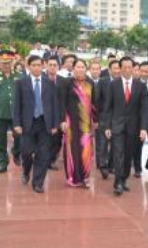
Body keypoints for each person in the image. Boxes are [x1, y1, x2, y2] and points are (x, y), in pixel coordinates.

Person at [13, 55, 59, 193]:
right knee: (27, 152)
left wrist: (55, 124)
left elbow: (54, 105)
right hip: (28, 123)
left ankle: (38, 182)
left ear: (43, 66)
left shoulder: (49, 83)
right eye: (34, 65)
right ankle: (26, 171)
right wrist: (17, 124)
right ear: (28, 66)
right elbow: (17, 105)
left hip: (45, 123)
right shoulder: (21, 82)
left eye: (39, 65)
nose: (37, 67)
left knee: (43, 154)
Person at [102, 56, 148, 196]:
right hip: (116, 126)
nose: (127, 70)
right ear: (120, 69)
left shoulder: (140, 86)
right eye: (124, 67)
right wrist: (107, 126)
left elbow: (144, 109)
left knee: (128, 156)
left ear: (134, 69)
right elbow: (107, 107)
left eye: (130, 67)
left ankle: (123, 178)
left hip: (133, 128)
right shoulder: (113, 84)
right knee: (118, 154)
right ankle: (118, 183)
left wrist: (143, 128)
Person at [58, 59, 96, 187]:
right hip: (71, 123)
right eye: (78, 67)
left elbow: (94, 103)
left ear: (86, 69)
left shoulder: (90, 83)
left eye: (82, 67)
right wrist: (62, 120)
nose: (80, 69)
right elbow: (61, 103)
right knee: (72, 150)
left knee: (86, 150)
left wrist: (96, 120)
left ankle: (85, 177)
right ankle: (73, 177)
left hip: (86, 124)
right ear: (73, 68)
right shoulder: (66, 83)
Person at [96, 59, 120, 179]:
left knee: (116, 144)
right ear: (109, 70)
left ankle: (111, 166)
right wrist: (98, 118)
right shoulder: (102, 82)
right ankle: (102, 166)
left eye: (118, 68)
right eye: (114, 68)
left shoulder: (123, 83)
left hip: (118, 119)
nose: (116, 71)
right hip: (104, 118)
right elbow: (97, 100)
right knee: (103, 143)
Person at [45, 56, 68, 170]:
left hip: (58, 115)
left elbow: (64, 101)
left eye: (55, 65)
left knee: (57, 140)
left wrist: (63, 118)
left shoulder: (63, 81)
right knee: (44, 139)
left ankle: (51, 160)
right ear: (46, 65)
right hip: (43, 115)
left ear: (58, 67)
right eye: (50, 65)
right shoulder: (41, 79)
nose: (52, 67)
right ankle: (43, 159)